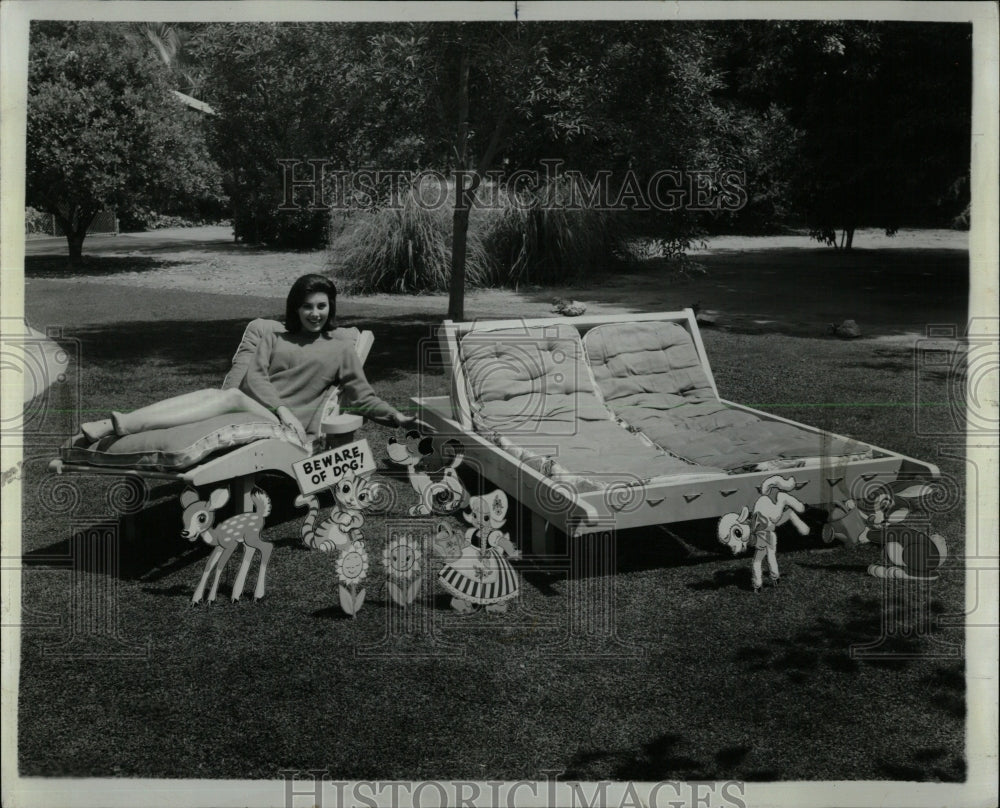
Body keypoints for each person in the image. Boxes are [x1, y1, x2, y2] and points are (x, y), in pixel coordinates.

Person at [80, 274, 415, 444]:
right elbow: (254, 378)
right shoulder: (273, 336)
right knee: (215, 395)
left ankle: (121, 424)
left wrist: (397, 416)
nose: (315, 313)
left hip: (291, 428)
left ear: (331, 308)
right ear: (295, 308)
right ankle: (118, 425)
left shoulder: (340, 347)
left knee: (228, 396)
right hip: (269, 413)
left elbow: (363, 396)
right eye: (307, 306)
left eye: (321, 306)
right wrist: (280, 408)